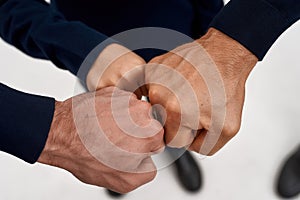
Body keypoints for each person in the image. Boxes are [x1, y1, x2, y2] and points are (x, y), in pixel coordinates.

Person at [0, 0, 300, 195]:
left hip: (184, 26)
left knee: (176, 108)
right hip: (93, 34)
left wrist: (219, 36)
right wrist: (80, 47)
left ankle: (168, 145)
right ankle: (116, 157)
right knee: (109, 114)